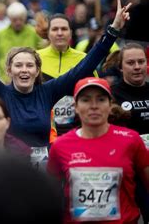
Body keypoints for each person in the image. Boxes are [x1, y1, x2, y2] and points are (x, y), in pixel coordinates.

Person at [0, 0, 130, 151]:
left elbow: (85, 66)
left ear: (37, 70)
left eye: (29, 65)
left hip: (44, 176)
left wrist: (113, 30)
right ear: (9, 71)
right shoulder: (0, 92)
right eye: (18, 65)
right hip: (12, 175)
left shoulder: (48, 92)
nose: (24, 70)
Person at [48, 77, 149, 223]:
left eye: (101, 99)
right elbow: (50, 195)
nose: (94, 106)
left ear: (110, 105)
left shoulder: (131, 140)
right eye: (86, 100)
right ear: (75, 106)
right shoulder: (60, 146)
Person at [35, 13, 97, 139]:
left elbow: (96, 91)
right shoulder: (35, 58)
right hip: (44, 130)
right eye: (55, 29)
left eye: (64, 29)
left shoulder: (83, 59)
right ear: (48, 33)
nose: (59, 33)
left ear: (70, 32)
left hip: (78, 130)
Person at [111, 42, 149, 223]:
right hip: (128, 169)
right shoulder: (112, 94)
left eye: (141, 62)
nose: (137, 67)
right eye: (131, 63)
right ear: (120, 67)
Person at [0, 1, 42, 83]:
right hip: (5, 81)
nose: (18, 22)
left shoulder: (34, 33)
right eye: (14, 20)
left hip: (30, 81)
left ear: (25, 18)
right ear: (9, 19)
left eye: (21, 19)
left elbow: (43, 56)